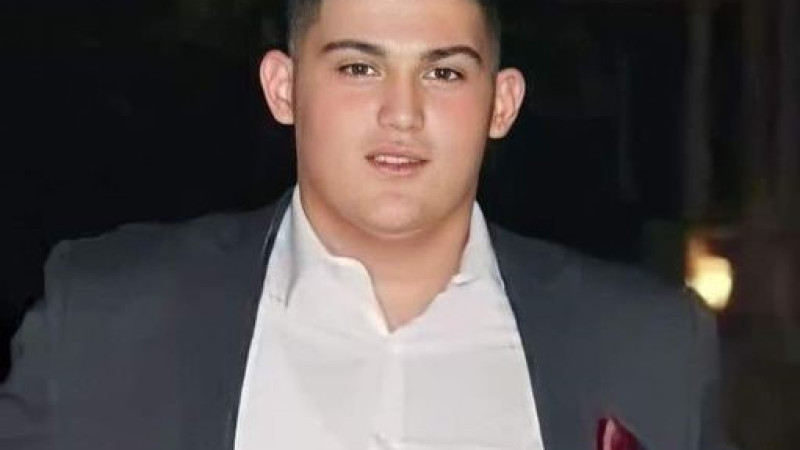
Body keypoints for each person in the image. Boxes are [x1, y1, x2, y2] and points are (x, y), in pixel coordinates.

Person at [1, 0, 733, 449]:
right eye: (359, 68)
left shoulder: (646, 347)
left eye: (443, 72)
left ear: (501, 103)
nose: (402, 113)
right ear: (284, 88)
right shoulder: (106, 321)